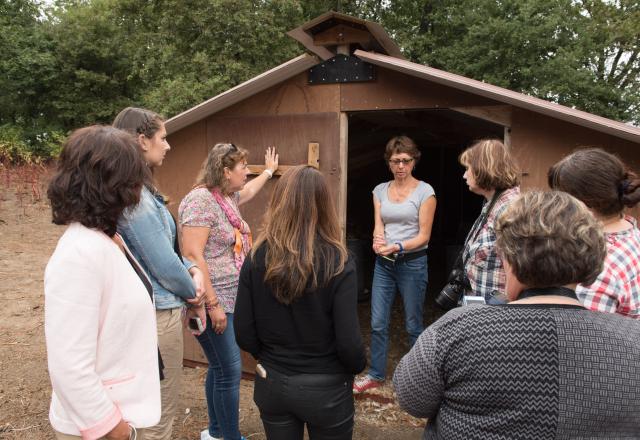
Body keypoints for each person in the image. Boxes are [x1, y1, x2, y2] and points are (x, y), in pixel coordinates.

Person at [394, 190, 640, 439]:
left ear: (510, 258)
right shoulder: (634, 340)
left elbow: (412, 400)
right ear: (592, 258)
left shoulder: (456, 330)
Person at [45, 126, 161, 439]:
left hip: (121, 414)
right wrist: (115, 430)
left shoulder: (106, 240)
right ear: (110, 185)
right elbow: (69, 366)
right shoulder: (79, 254)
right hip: (101, 427)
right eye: (133, 178)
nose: (138, 188)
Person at [235, 166, 366, 440]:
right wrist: (355, 367)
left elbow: (244, 332)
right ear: (323, 204)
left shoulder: (257, 257)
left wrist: (271, 356)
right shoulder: (339, 262)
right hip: (326, 387)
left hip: (272, 381)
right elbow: (349, 343)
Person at [113, 107, 205, 440]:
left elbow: (172, 252)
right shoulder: (136, 201)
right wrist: (194, 289)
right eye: (163, 138)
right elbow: (164, 264)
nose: (168, 146)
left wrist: (190, 265)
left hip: (152, 309)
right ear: (141, 141)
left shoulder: (137, 192)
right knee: (159, 414)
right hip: (157, 314)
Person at [179, 143, 278, 440]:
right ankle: (230, 436)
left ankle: (216, 432)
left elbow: (247, 192)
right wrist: (212, 304)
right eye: (242, 168)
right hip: (213, 299)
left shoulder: (225, 197)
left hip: (229, 296)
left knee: (220, 367)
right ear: (225, 171)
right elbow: (193, 255)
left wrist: (269, 172)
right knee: (230, 370)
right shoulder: (200, 201)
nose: (247, 173)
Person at [353, 135, 436, 394]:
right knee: (378, 322)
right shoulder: (380, 190)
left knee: (413, 324)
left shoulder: (426, 192)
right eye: (395, 161)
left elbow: (424, 236)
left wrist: (398, 246)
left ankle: (418, 379)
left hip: (412, 263)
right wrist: (378, 240)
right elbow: (380, 224)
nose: (400, 166)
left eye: (405, 160)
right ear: (388, 163)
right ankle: (376, 375)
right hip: (384, 264)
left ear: (414, 161)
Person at [548, 147, 640, 318]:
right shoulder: (632, 233)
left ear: (585, 204)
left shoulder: (595, 270)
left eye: (560, 197)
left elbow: (582, 336)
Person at [459, 138, 520, 302]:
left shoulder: (510, 209)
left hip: (495, 317)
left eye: (468, 169)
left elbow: (516, 275)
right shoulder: (493, 203)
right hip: (481, 308)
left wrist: (501, 308)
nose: (464, 175)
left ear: (483, 169)